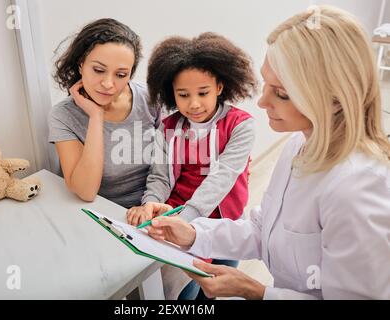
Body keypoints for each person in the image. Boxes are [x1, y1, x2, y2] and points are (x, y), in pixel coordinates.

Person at [144, 6, 390, 299]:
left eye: (281, 93)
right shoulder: (297, 146)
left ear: (334, 99)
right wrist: (195, 234)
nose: (262, 102)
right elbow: (263, 229)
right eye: (266, 85)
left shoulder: (358, 188)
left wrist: (256, 291)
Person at [126, 33, 257, 299]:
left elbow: (222, 177)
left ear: (220, 86)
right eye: (183, 95)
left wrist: (188, 218)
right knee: (185, 291)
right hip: (176, 214)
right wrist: (150, 203)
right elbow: (160, 176)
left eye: (203, 92)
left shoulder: (241, 125)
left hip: (223, 220)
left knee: (215, 287)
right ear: (171, 93)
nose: (194, 103)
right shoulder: (168, 127)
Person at [48, 18, 159, 208]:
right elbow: (86, 191)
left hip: (152, 207)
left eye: (121, 74)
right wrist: (96, 116)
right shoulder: (63, 116)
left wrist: (152, 205)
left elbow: (169, 168)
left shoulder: (151, 99)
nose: (108, 84)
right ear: (81, 64)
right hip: (101, 212)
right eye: (99, 70)